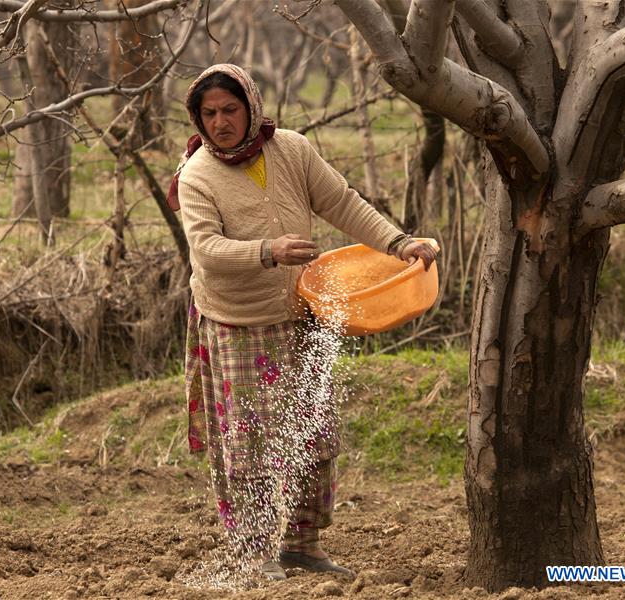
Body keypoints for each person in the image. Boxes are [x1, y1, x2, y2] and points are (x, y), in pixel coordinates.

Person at [171, 64, 437, 582]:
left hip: (302, 312)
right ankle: (253, 552)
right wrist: (268, 251)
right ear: (198, 120)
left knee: (313, 435)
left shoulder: (291, 150)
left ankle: (301, 545)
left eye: (230, 109)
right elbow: (206, 250)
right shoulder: (198, 175)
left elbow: (342, 203)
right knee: (249, 443)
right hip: (238, 321)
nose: (221, 122)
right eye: (210, 114)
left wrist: (399, 243)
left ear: (252, 107)